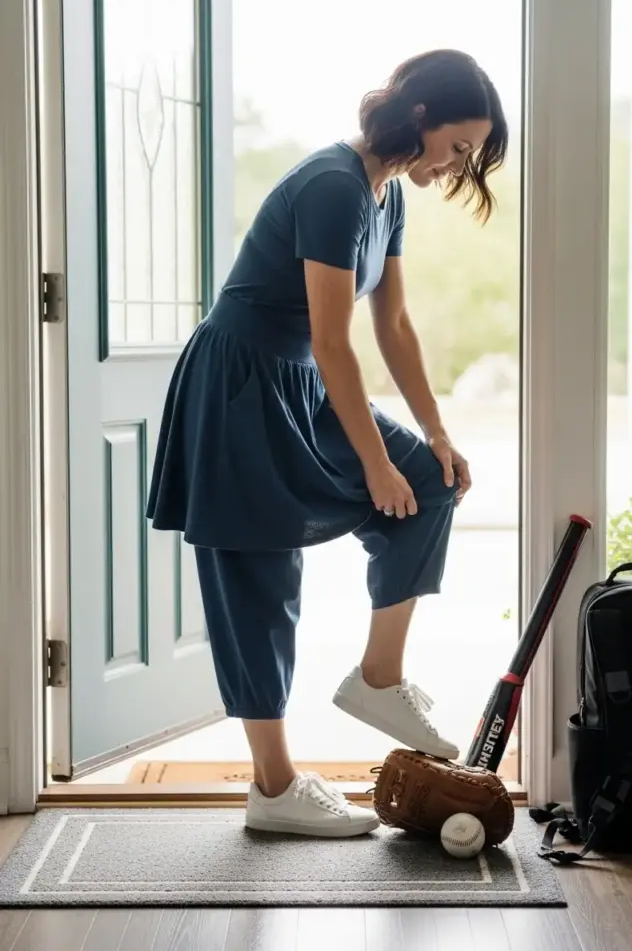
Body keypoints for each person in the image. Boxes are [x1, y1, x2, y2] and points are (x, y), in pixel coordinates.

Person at [147, 49, 508, 838]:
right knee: (258, 575)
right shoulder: (333, 186)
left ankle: (379, 678)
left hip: (301, 382)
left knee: (433, 483)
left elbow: (395, 325)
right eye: (456, 146)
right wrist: (373, 464)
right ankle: (274, 788)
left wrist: (436, 436)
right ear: (420, 119)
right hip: (241, 385)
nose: (456, 165)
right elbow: (334, 339)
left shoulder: (387, 196)